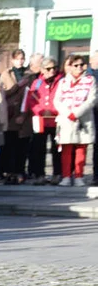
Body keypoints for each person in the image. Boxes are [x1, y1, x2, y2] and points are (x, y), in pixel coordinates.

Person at [53, 54, 96, 187]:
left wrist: (77, 113)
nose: (79, 68)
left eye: (81, 65)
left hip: (84, 120)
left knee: (81, 148)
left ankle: (78, 176)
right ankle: (66, 176)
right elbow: (57, 100)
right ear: (70, 67)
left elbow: (92, 99)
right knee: (66, 148)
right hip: (67, 120)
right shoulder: (63, 82)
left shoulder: (90, 80)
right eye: (75, 65)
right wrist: (68, 113)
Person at [24, 57, 62, 184]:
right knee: (38, 148)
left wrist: (53, 110)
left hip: (56, 119)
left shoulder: (60, 81)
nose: (52, 71)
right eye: (48, 68)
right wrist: (40, 111)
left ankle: (57, 173)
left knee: (57, 148)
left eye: (54, 68)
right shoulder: (37, 82)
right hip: (41, 121)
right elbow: (32, 100)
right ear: (42, 70)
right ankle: (39, 174)